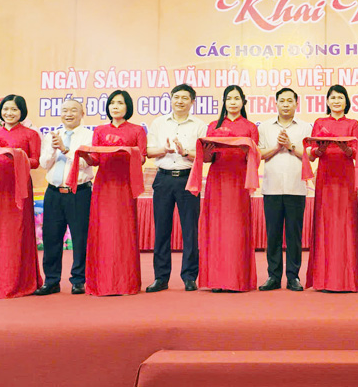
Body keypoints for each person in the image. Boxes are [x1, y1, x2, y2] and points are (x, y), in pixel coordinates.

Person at [0, 94, 43, 298]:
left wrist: (16, 156)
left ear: (22, 112)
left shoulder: (30, 134)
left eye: (14, 109)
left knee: (17, 233)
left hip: (19, 186)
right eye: (5, 109)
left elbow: (35, 162)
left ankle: (17, 282)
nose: (9, 113)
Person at [83, 90, 146, 296]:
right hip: (103, 185)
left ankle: (125, 282)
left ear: (128, 106)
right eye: (112, 103)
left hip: (125, 185)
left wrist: (128, 152)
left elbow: (142, 158)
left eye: (120, 103)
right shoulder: (99, 130)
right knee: (103, 231)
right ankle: (101, 282)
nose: (115, 107)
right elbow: (95, 160)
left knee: (123, 231)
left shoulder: (137, 130)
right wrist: (85, 156)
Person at [198, 85, 259, 292]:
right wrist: (207, 152)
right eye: (229, 99)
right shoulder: (213, 126)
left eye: (236, 98)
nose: (233, 102)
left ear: (243, 102)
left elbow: (254, 159)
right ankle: (217, 280)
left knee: (236, 228)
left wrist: (246, 151)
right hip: (217, 180)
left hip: (239, 181)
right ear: (224, 102)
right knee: (217, 228)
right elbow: (207, 159)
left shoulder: (250, 127)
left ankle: (237, 279)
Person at [145, 84, 205, 293]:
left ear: (192, 102)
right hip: (163, 179)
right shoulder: (159, 123)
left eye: (185, 98)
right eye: (176, 97)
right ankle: (161, 277)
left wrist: (185, 152)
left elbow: (204, 156)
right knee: (162, 229)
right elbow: (149, 151)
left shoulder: (200, 126)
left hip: (188, 179)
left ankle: (189, 277)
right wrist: (165, 149)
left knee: (190, 230)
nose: (180, 101)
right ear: (170, 99)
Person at [305, 84, 358, 292]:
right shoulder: (319, 123)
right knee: (325, 222)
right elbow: (312, 154)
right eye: (333, 98)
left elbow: (356, 153)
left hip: (346, 179)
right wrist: (319, 150)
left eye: (340, 97)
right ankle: (324, 279)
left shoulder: (353, 124)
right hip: (326, 177)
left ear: (346, 101)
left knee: (347, 223)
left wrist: (346, 149)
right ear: (327, 101)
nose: (336, 101)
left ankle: (348, 279)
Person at [35, 99, 93, 296]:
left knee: (80, 238)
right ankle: (51, 280)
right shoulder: (52, 135)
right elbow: (44, 164)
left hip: (79, 192)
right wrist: (53, 148)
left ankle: (79, 280)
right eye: (65, 110)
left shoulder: (89, 135)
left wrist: (65, 149)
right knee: (51, 238)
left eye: (74, 110)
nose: (69, 114)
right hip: (53, 193)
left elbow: (86, 163)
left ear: (82, 114)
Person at [257, 87, 311, 292]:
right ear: (276, 103)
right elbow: (259, 154)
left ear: (296, 103)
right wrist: (276, 148)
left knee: (294, 236)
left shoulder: (306, 128)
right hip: (272, 188)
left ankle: (293, 276)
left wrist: (290, 146)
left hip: (296, 187)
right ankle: (273, 276)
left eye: (290, 101)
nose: (286, 104)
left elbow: (310, 155)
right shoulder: (265, 127)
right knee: (273, 235)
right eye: (282, 101)